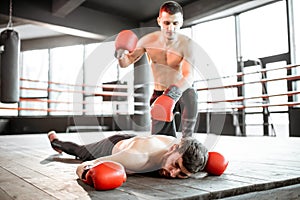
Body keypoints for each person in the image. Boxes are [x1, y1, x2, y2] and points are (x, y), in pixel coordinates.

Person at [115, 1, 198, 138]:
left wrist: (171, 94)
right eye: (166, 23)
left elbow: (189, 75)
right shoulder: (148, 41)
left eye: (175, 23)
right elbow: (126, 63)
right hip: (159, 93)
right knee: (161, 141)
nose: (171, 28)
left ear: (181, 22)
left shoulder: (187, 44)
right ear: (159, 21)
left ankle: (187, 141)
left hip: (180, 91)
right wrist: (120, 55)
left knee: (191, 96)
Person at [47, 131, 208, 179]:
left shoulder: (186, 151)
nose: (173, 174)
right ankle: (56, 141)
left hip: (135, 138)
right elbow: (86, 165)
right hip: (113, 146)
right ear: (173, 149)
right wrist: (87, 173)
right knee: (80, 152)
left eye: (182, 175)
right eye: (176, 166)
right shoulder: (137, 157)